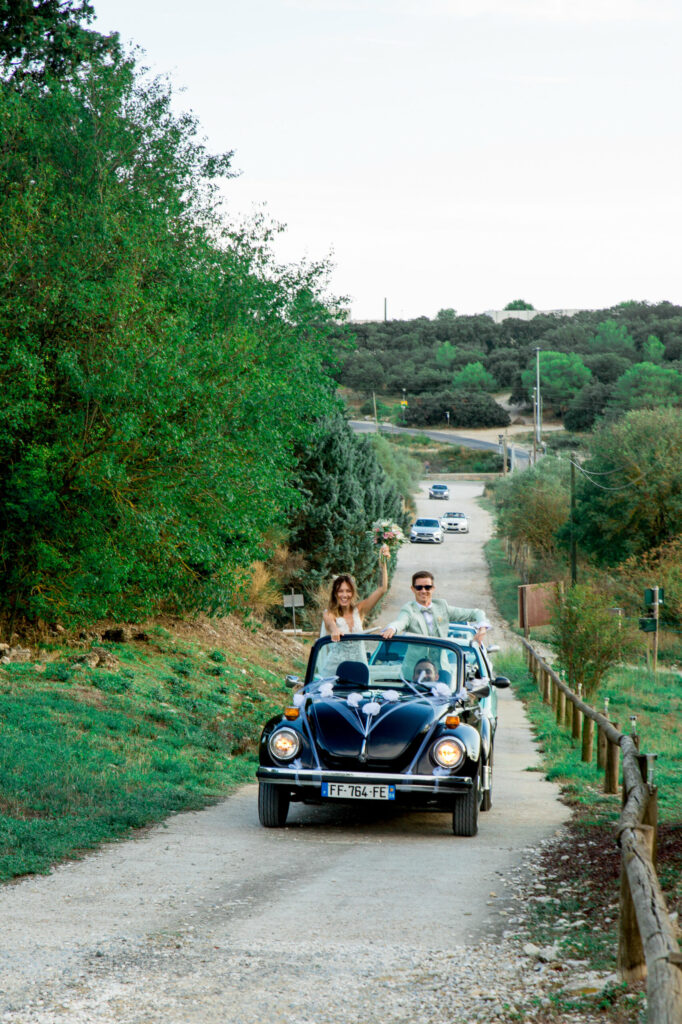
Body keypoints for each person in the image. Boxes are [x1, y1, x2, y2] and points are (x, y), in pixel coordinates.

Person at [381, 570, 489, 643]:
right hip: (415, 671)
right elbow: (401, 621)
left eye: (427, 587)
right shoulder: (409, 609)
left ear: (433, 588)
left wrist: (482, 629)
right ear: (413, 589)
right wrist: (392, 628)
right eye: (419, 587)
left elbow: (476, 613)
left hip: (441, 668)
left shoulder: (442, 606)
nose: (423, 591)